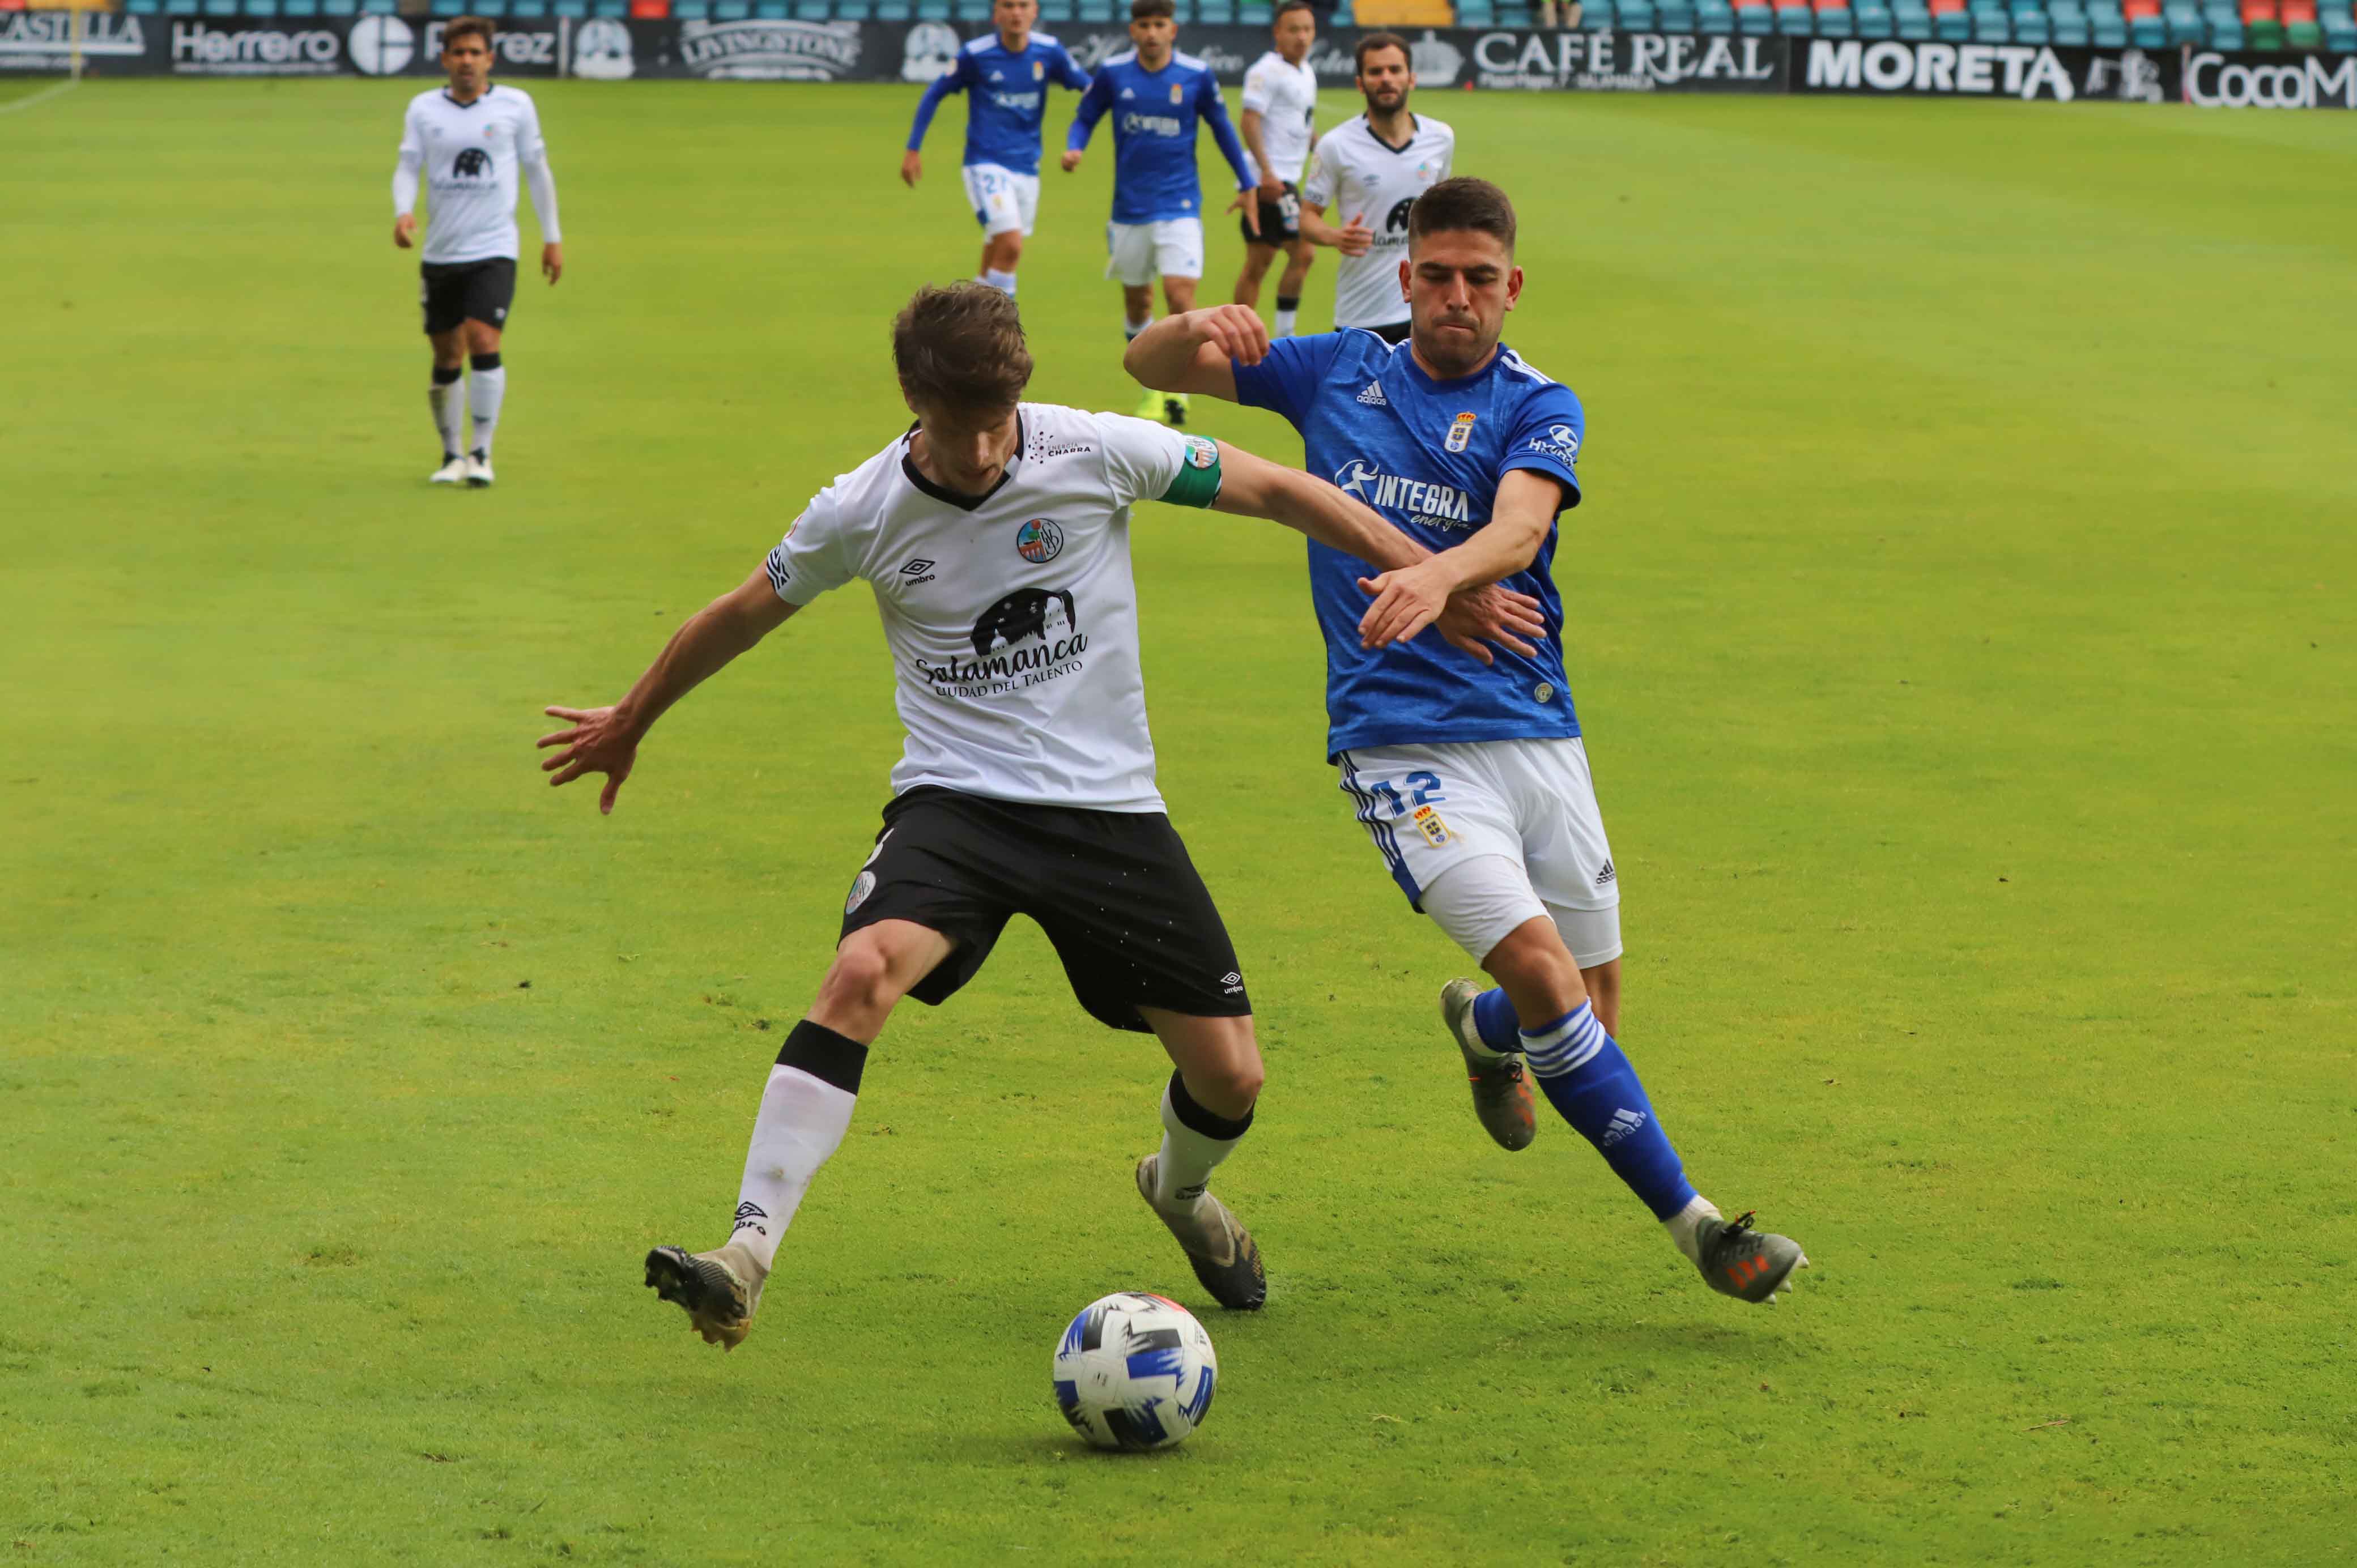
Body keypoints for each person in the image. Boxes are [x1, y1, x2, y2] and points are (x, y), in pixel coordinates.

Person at [536, 284, 1545, 1350]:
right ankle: (744, 1252)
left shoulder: (1095, 448)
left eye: (995, 423)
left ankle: (1180, 1189)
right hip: (957, 804)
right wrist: (631, 719)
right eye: (954, 427)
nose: (979, 451)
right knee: (862, 969)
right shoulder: (860, 509)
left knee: (1231, 1074)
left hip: (1110, 813)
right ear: (910, 400)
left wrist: (1431, 572)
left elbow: (1287, 489)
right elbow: (739, 614)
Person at [1122, 180, 1812, 1306]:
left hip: (1537, 727)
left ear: (1511, 287)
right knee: (1549, 973)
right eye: (1434, 276)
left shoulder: (1541, 401)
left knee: (1578, 1013)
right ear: (1404, 280)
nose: (1455, 298)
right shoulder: (1333, 369)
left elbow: (1521, 524)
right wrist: (1195, 328)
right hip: (1401, 748)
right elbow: (1145, 372)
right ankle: (1700, 1230)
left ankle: (1485, 1029)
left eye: (1478, 281)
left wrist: (1437, 578)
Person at [1062, 0, 1258, 429]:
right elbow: (1086, 115)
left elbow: (1222, 128)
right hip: (1130, 210)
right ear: (1133, 30)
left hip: (1181, 205)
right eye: (1144, 24)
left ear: (1173, 29)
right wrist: (1075, 145)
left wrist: (1246, 182)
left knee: (1181, 296)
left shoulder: (1195, 75)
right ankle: (1153, 384)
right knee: (1139, 303)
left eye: (1160, 24)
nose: (1152, 32)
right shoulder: (1114, 74)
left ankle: (1175, 392)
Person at [393, 16, 561, 489]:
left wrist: (552, 237)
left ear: (490, 58)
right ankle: (451, 456)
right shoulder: (424, 109)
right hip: (442, 250)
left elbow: (537, 170)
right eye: (458, 53)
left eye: (475, 52)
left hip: (494, 247)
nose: (466, 61)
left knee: (484, 340)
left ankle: (481, 452)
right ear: (445, 58)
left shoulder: (515, 106)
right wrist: (403, 211)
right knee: (447, 353)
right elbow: (408, 165)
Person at [900, 0, 1090, 299]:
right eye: (1008, 5)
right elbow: (934, 94)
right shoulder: (976, 55)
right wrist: (913, 149)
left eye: (1023, 5)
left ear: (1035, 11)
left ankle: (969, 320)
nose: (1016, 13)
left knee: (997, 250)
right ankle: (1001, 331)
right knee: (1011, 245)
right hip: (985, 163)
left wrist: (1079, 141)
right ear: (996, 14)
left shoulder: (1049, 51)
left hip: (1028, 168)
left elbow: (1089, 90)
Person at [1296, 32, 1450, 345]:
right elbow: (1306, 218)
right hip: (1361, 313)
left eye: (1395, 70)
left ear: (1412, 78)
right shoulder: (1335, 146)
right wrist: (1335, 237)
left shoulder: (1441, 138)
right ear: (1360, 82)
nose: (1386, 79)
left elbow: (1440, 213)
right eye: (1375, 72)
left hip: (1422, 308)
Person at [1231, 1, 1321, 342]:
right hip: (1269, 181)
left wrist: (1323, 150)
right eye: (1293, 29)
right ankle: (1273, 336)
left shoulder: (1305, 71)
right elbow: (1249, 120)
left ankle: (1249, 335)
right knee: (1299, 252)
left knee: (1262, 262)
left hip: (1286, 179)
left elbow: (1302, 123)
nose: (1301, 37)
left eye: (1307, 29)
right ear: (1277, 33)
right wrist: (1265, 173)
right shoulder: (1264, 71)